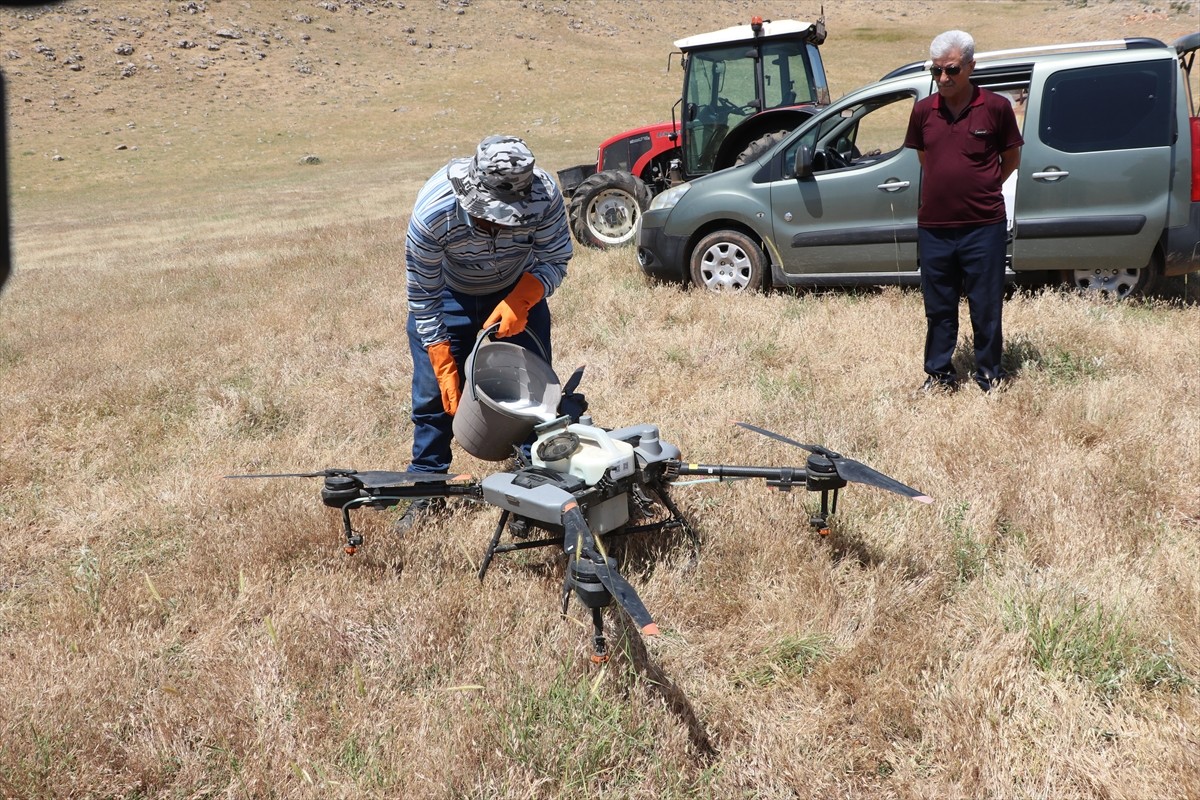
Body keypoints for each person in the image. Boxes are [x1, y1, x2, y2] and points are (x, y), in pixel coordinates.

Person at [398, 134, 573, 531]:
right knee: (431, 397)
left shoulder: (544, 196)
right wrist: (442, 360)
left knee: (533, 392)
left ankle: (534, 487)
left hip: (514, 286)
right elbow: (422, 296)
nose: (496, 224)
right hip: (448, 294)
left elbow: (555, 256)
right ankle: (428, 486)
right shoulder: (434, 211)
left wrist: (523, 299)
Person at [903, 30, 1023, 393]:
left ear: (971, 66)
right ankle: (940, 375)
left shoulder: (996, 108)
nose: (943, 78)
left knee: (986, 305)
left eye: (952, 70)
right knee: (938, 307)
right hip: (935, 228)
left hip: (983, 226)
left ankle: (989, 375)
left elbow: (1011, 158)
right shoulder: (924, 111)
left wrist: (983, 187)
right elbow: (926, 158)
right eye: (936, 70)